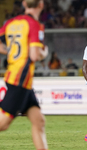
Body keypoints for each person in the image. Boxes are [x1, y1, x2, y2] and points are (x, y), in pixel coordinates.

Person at [0, 0, 49, 150]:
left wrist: (10, 52)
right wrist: (45, 52)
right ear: (41, 4)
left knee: (39, 122)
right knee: (2, 124)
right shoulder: (34, 24)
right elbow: (34, 55)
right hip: (20, 80)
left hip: (18, 78)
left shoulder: (11, 23)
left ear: (24, 4)